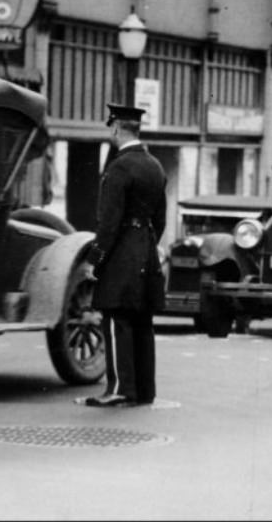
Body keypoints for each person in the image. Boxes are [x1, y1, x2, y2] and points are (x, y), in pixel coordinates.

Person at [79, 103, 167, 408]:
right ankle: (144, 391)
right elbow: (161, 219)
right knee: (142, 320)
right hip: (146, 249)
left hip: (122, 253)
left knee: (116, 320)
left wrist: (94, 259)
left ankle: (118, 388)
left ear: (116, 128)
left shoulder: (119, 167)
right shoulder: (155, 166)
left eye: (111, 128)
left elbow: (109, 221)